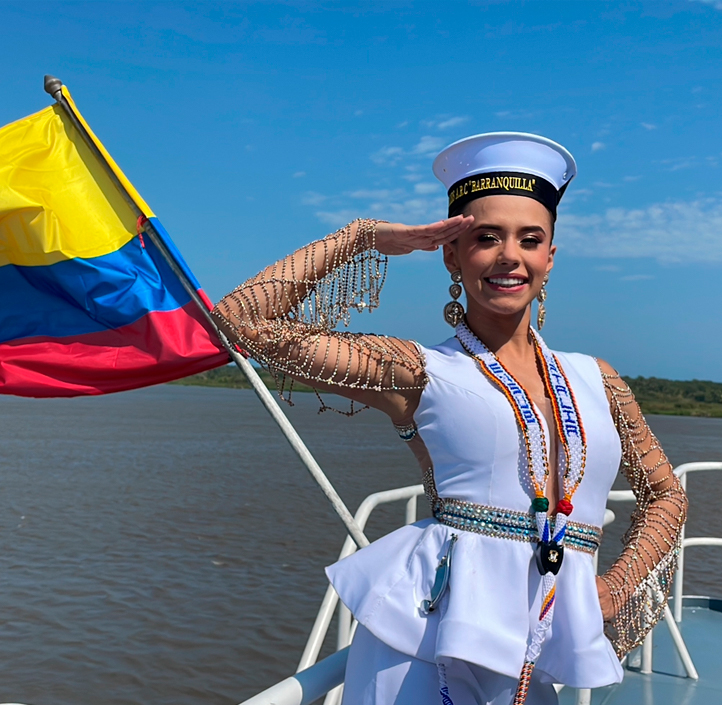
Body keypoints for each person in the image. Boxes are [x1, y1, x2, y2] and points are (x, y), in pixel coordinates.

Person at [213, 133, 687, 705]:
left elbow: (666, 495)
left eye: (529, 239)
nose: (509, 255)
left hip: (535, 649)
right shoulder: (417, 370)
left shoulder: (598, 378)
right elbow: (240, 320)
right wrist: (360, 238)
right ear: (452, 255)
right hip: (426, 644)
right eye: (485, 238)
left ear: (550, 257)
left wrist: (613, 589)